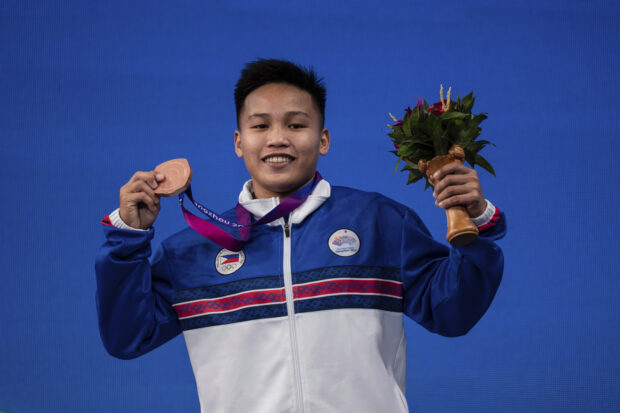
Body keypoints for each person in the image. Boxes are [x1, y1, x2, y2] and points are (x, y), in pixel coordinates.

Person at [95, 59, 506, 413]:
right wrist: (128, 237)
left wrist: (475, 222)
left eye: (296, 124)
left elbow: (453, 313)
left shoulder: (380, 222)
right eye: (260, 125)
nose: (278, 138)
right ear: (239, 143)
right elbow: (128, 336)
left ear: (323, 139)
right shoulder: (193, 250)